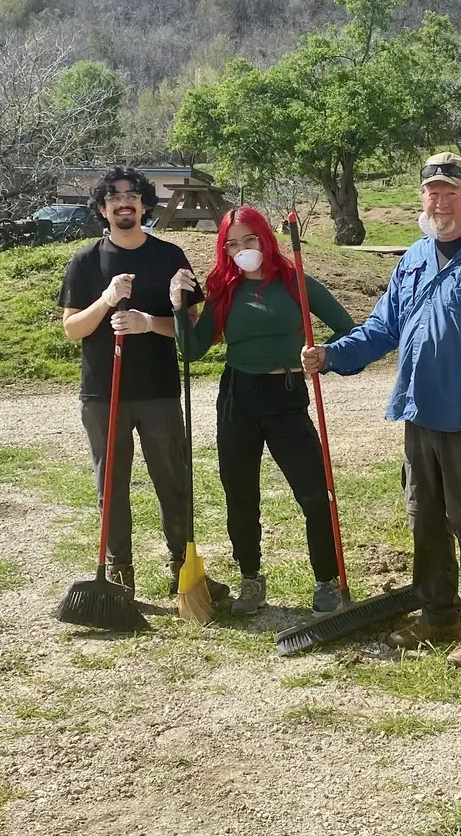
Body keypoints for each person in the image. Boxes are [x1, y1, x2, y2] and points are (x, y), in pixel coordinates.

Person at [301, 153, 461, 669]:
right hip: (420, 416)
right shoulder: (414, 257)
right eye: (431, 192)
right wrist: (331, 355)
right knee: (426, 521)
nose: (440, 201)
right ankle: (439, 612)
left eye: (450, 192)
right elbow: (381, 330)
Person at [171, 207, 356, 617]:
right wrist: (179, 307)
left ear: (265, 239)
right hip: (239, 395)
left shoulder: (295, 283)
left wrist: (322, 355)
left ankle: (327, 580)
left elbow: (348, 328)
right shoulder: (224, 287)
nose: (242, 250)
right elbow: (194, 348)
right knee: (239, 493)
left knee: (313, 492)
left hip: (286, 394)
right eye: (232, 244)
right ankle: (251, 578)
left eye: (249, 240)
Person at [59, 166, 228, 603]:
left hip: (158, 390)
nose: (123, 201)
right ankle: (119, 573)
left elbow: (189, 329)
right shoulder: (86, 261)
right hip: (102, 392)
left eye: (132, 194)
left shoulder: (169, 256)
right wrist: (106, 300)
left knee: (172, 478)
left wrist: (147, 322)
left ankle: (182, 566)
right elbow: (73, 329)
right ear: (102, 208)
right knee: (110, 484)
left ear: (145, 204)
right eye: (113, 196)